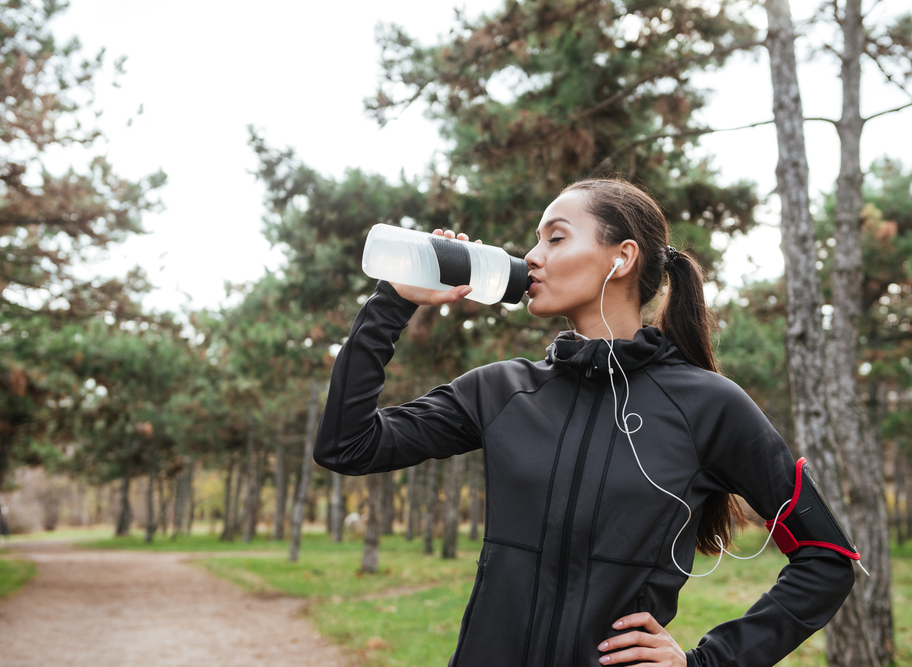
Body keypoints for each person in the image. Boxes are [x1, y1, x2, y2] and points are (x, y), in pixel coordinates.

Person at [314, 179, 857, 667]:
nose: (531, 257)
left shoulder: (709, 407)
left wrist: (708, 663)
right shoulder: (502, 391)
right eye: (536, 240)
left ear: (621, 258)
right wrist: (392, 302)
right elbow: (348, 445)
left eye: (555, 238)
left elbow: (828, 558)